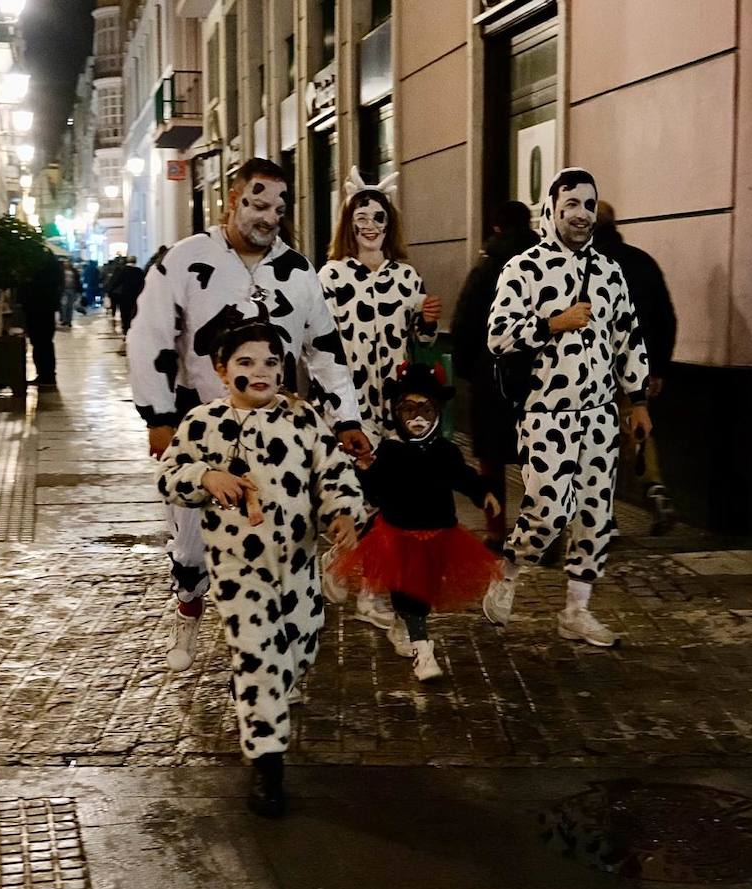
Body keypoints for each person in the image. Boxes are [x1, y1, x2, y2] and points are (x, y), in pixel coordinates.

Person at [129, 156, 370, 675]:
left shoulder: (298, 271)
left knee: (284, 535)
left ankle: (277, 648)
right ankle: (189, 608)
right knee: (192, 547)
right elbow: (149, 337)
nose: (268, 217)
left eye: (279, 208)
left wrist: (346, 419)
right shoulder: (186, 258)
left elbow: (324, 350)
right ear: (231, 200)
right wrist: (158, 416)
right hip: (203, 427)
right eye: (258, 204)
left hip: (281, 431)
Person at [156, 321, 364, 817]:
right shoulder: (202, 422)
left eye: (271, 362)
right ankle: (267, 766)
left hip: (298, 564)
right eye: (246, 363)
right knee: (260, 658)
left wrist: (341, 514)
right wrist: (205, 474)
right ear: (222, 371)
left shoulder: (303, 419)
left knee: (300, 649)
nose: (262, 371)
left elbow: (334, 473)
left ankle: (261, 684)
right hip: (237, 567)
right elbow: (168, 475)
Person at [481, 168, 651, 648]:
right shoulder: (524, 268)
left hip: (599, 414)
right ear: (552, 208)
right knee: (551, 509)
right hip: (545, 412)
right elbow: (497, 336)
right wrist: (553, 322)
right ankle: (509, 566)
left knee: (597, 516)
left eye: (589, 205)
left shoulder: (609, 271)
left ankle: (577, 610)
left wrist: (637, 400)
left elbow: (628, 337)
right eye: (572, 204)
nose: (581, 214)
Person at [318, 168, 442, 631]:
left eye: (379, 219)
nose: (370, 226)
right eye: (362, 218)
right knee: (362, 498)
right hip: (348, 409)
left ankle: (367, 589)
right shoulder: (329, 277)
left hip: (394, 407)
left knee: (388, 503)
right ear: (349, 223)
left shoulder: (406, 278)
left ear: (389, 226)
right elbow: (316, 343)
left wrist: (428, 320)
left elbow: (420, 339)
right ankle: (345, 557)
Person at [334, 362, 500, 682]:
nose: (417, 417)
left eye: (425, 408)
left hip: (441, 535)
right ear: (398, 413)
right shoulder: (391, 452)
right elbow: (376, 492)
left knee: (423, 594)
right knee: (408, 592)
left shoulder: (446, 452)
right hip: (400, 536)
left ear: (438, 411)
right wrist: (366, 470)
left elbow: (464, 477)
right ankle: (422, 652)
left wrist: (484, 493)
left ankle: (403, 625)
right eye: (408, 409)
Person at [450, 201, 539, 551]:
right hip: (538, 373)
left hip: (492, 371)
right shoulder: (545, 260)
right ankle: (540, 528)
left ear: (497, 227)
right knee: (538, 455)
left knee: (492, 459)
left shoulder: (487, 264)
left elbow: (465, 318)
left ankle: (497, 529)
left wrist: (467, 369)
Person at [593, 201, 678, 534]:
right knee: (636, 428)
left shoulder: (579, 264)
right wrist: (659, 368)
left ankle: (603, 515)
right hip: (635, 364)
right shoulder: (643, 262)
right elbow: (665, 318)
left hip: (592, 366)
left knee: (597, 439)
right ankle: (655, 490)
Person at [18, 251, 64, 388]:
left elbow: (29, 289)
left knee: (39, 342)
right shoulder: (53, 271)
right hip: (46, 309)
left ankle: (45, 375)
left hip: (36, 308)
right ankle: (47, 375)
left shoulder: (38, 276)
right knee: (45, 342)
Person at [107, 256, 146, 341]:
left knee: (124, 314)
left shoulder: (123, 271)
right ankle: (133, 331)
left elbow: (116, 282)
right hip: (136, 297)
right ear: (135, 262)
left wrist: (109, 291)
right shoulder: (139, 271)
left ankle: (125, 332)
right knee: (134, 314)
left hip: (124, 297)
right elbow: (144, 284)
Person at [59, 261, 80, 328]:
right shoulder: (61, 271)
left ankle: (69, 321)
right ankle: (65, 320)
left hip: (72, 290)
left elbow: (77, 280)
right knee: (64, 306)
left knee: (70, 306)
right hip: (64, 290)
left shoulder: (74, 271)